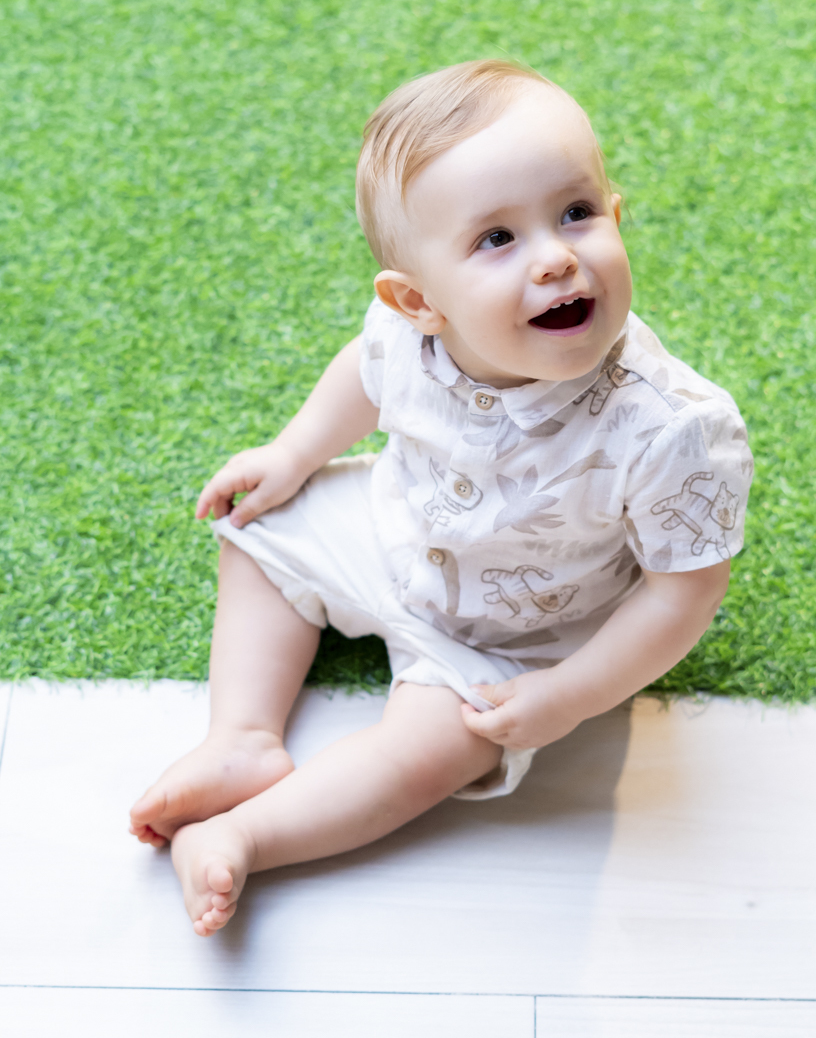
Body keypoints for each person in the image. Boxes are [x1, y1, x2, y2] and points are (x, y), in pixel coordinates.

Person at [129, 60, 753, 937]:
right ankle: (241, 738)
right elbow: (364, 374)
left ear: (615, 216)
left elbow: (684, 592)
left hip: (518, 637)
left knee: (433, 750)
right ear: (419, 301)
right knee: (260, 531)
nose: (556, 257)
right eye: (497, 238)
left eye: (576, 212)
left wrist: (570, 694)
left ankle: (246, 835)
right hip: (394, 530)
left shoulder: (672, 428)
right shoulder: (407, 337)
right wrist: (293, 454)